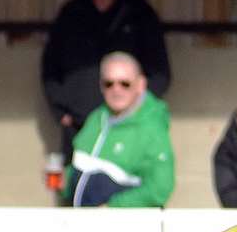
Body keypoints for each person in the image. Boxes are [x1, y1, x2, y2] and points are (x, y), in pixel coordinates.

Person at [42, 0, 170, 159]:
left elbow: (160, 73)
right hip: (80, 125)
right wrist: (61, 110)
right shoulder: (71, 13)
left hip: (130, 128)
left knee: (127, 188)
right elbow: (50, 69)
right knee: (78, 188)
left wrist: (140, 110)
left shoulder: (139, 12)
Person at [62, 51, 175, 208]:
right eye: (109, 83)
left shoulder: (152, 128)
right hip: (82, 222)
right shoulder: (96, 118)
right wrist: (63, 182)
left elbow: (159, 190)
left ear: (140, 85)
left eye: (125, 84)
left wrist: (113, 208)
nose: (116, 90)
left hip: (125, 226)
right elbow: (78, 168)